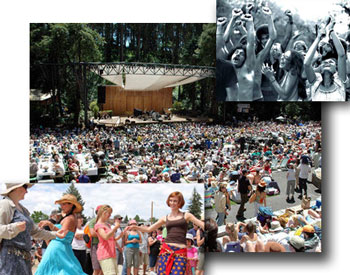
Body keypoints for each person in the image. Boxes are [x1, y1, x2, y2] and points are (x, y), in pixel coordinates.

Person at [128, 191, 204, 275]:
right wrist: (136, 227)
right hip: (166, 250)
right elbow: (149, 229)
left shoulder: (186, 215)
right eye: (171, 200)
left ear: (180, 202)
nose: (172, 203)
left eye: (175, 201)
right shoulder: (165, 218)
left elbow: (202, 224)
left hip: (180, 252)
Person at [0, 183, 66, 275]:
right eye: (25, 187)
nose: (27, 191)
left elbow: (35, 232)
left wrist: (55, 234)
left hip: (23, 261)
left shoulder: (23, 209)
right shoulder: (5, 204)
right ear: (17, 188)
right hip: (9, 260)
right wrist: (14, 228)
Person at [35, 194, 86, 275]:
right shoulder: (71, 217)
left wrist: (50, 224)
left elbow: (62, 234)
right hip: (62, 247)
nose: (62, 206)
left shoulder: (70, 218)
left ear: (71, 204)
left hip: (58, 247)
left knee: (48, 270)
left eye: (64, 204)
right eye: (61, 204)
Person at [304, 16, 347, 101]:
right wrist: (318, 37)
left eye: (331, 62)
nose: (327, 63)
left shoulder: (340, 81)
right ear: (320, 69)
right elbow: (306, 63)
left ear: (336, 69)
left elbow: (341, 55)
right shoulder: (315, 82)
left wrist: (331, 31)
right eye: (324, 63)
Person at [94, 205, 124, 275]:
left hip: (111, 253)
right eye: (109, 213)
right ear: (104, 213)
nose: (110, 215)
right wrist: (115, 228)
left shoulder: (107, 225)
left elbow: (112, 239)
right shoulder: (98, 225)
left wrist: (120, 236)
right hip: (105, 253)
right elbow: (105, 237)